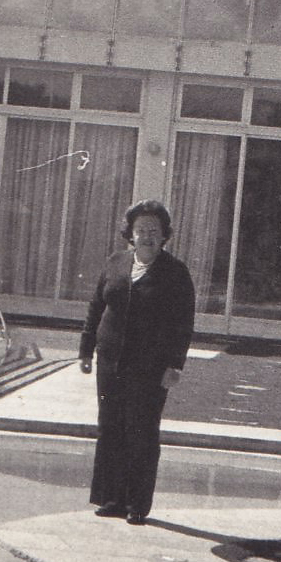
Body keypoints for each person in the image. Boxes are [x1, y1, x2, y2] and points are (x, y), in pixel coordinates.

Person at [78, 198, 196, 526]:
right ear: (130, 233)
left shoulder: (175, 273)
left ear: (164, 235)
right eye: (140, 230)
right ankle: (112, 498)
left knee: (141, 431)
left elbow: (183, 323)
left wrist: (175, 365)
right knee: (110, 427)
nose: (146, 236)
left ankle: (137, 504)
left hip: (149, 367)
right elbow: (96, 308)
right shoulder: (115, 263)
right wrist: (86, 350)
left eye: (153, 231)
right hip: (110, 362)